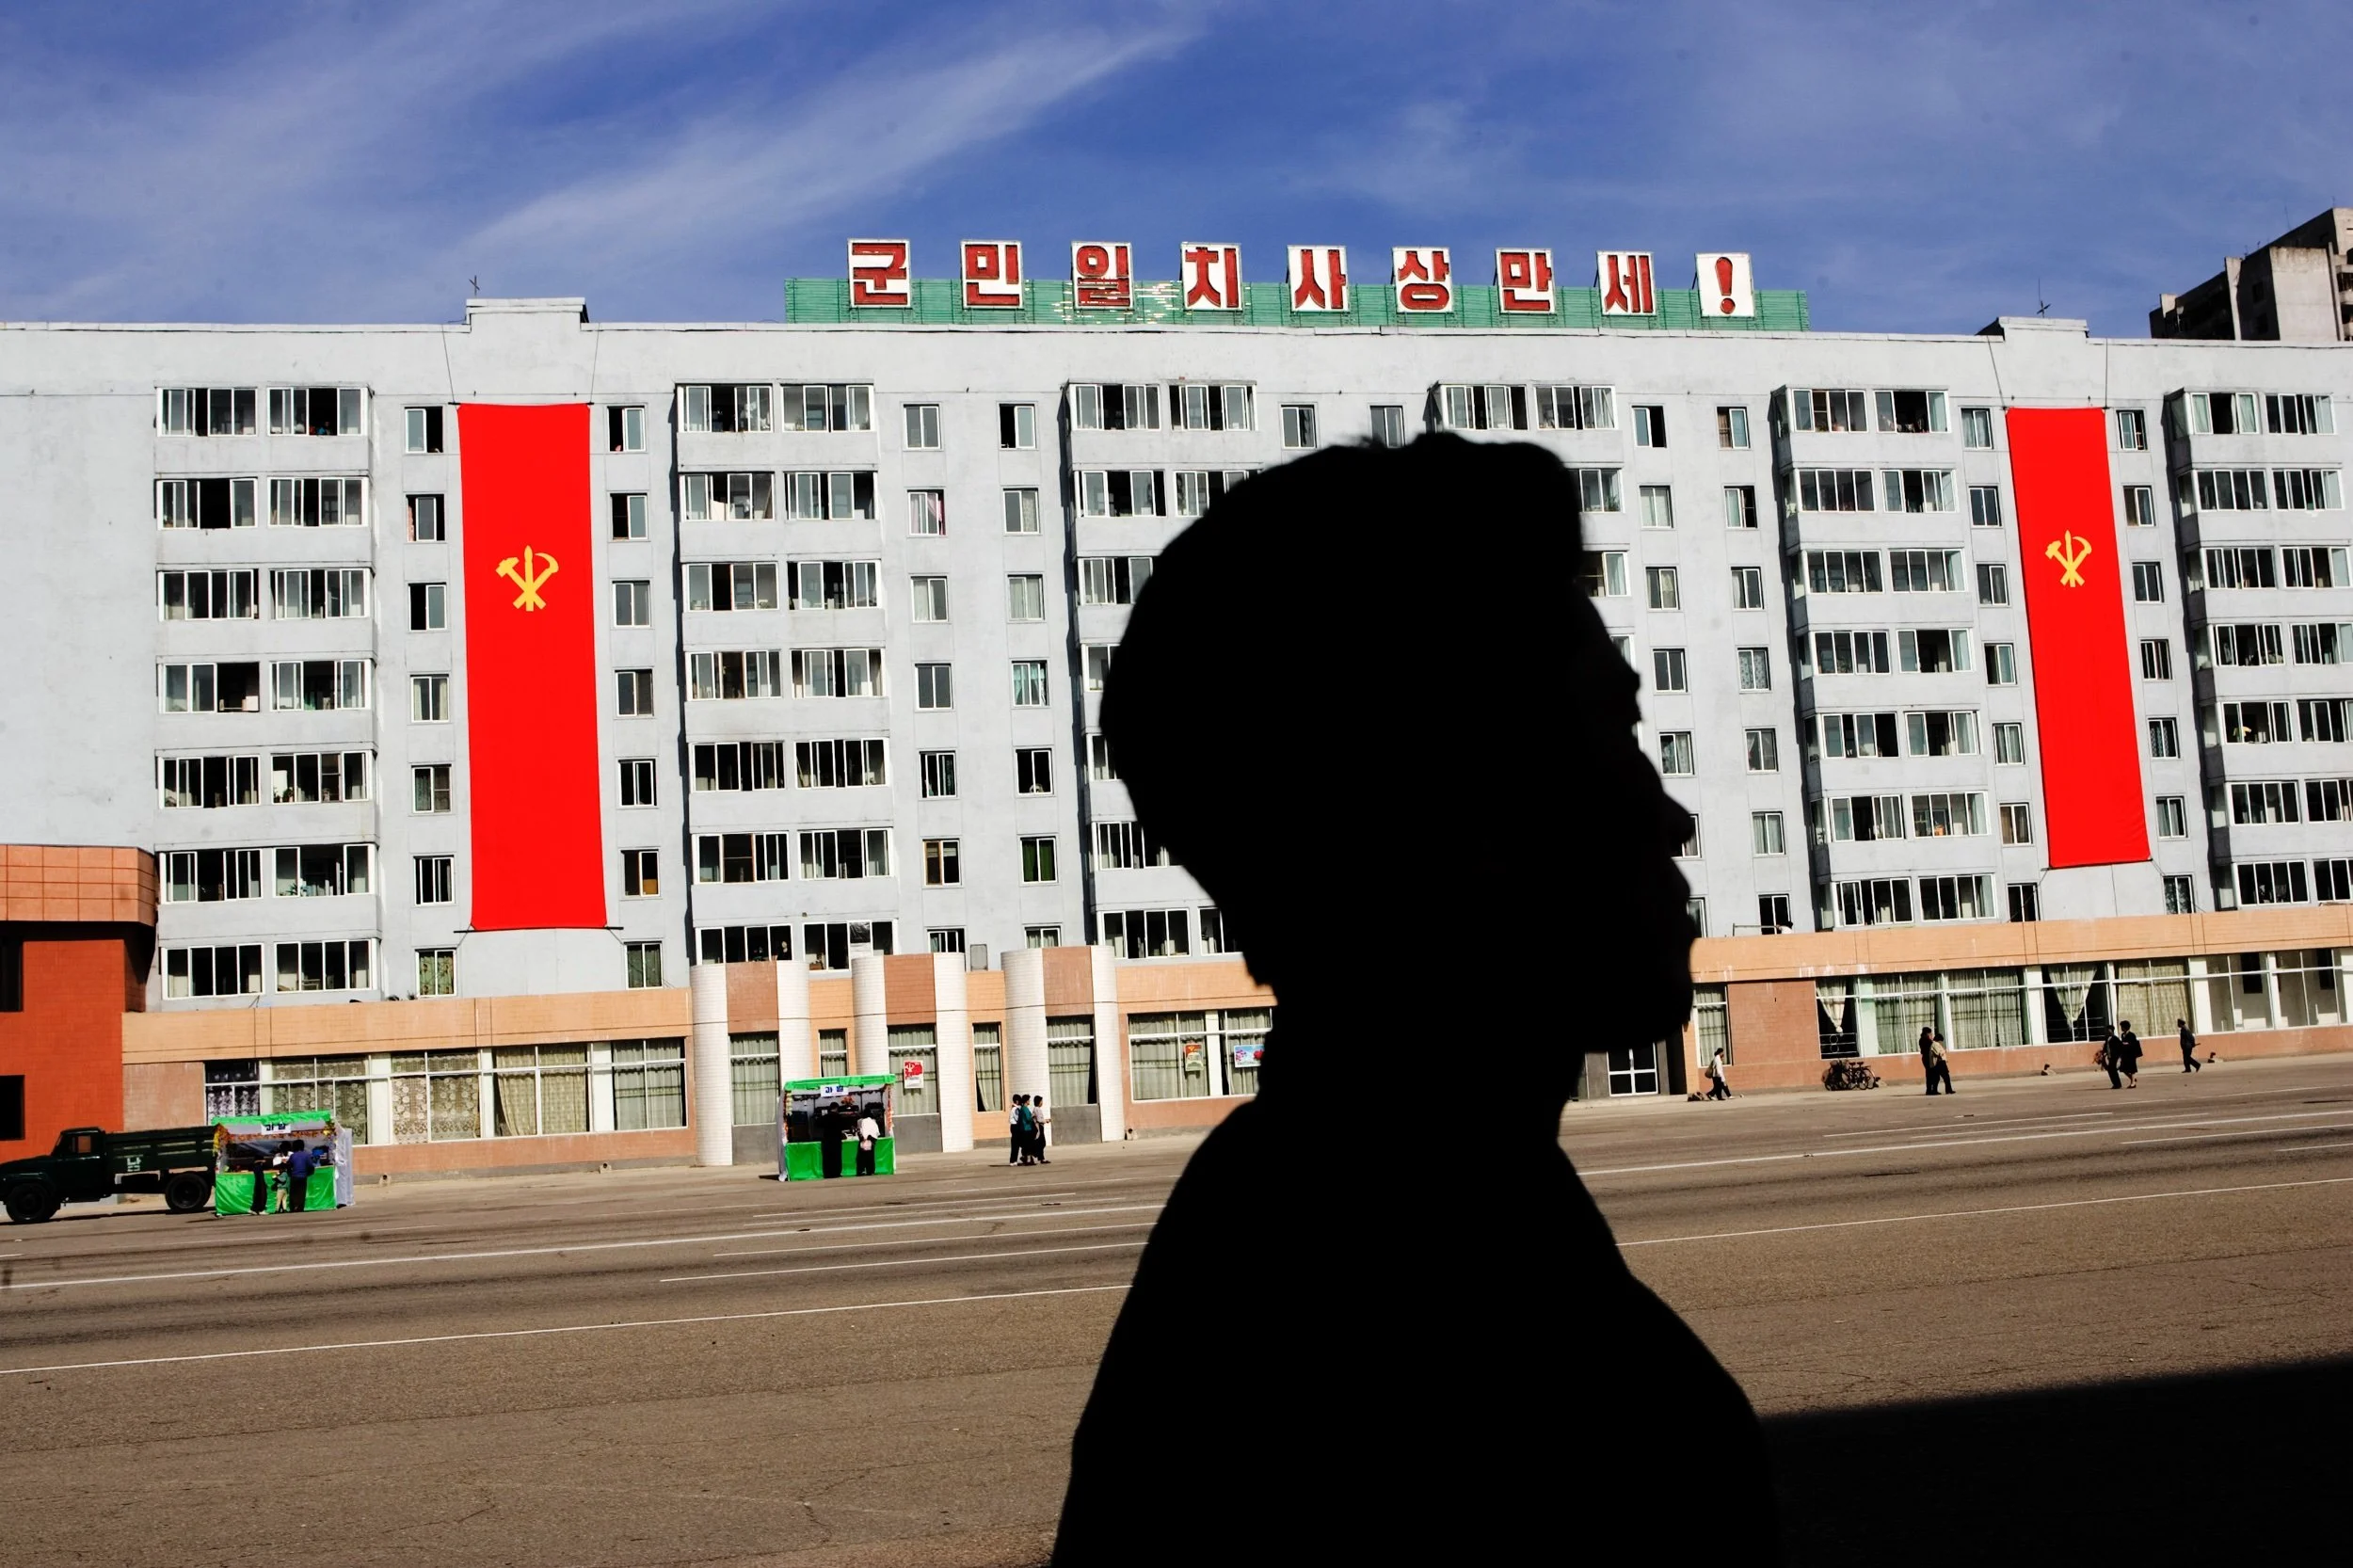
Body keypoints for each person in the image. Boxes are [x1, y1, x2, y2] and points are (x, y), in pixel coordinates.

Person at [1051, 434, 1776, 1563]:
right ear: (1466, 825)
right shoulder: (1426, 1323)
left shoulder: (1384, 1222)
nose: (1669, 815)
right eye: (1612, 739)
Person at [283, 1143, 317, 1213]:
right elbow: (311, 1166)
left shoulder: (293, 1155)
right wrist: (309, 1173)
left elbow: (288, 1165)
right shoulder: (306, 1155)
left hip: (294, 1176)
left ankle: (292, 1207)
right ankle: (300, 1208)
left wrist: (290, 1173)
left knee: (293, 1193)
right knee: (301, 1193)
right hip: (303, 1176)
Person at [1920, 1027, 1954, 1096]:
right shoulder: (1929, 1041)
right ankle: (1932, 1090)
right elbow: (1938, 1052)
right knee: (1934, 1075)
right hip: (1932, 1059)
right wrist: (1943, 1051)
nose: (1931, 1035)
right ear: (1927, 1033)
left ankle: (1931, 1090)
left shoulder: (1923, 1040)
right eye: (1930, 1033)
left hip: (1929, 1059)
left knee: (1933, 1075)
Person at [854, 1103, 880, 1177]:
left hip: (864, 1140)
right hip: (872, 1140)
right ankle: (870, 1171)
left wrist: (864, 1138)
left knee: (861, 1157)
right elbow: (877, 1132)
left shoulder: (862, 1121)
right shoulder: (873, 1121)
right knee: (870, 1156)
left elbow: (862, 1130)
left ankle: (861, 1171)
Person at [2116, 1020, 2143, 1088]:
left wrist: (2127, 1044)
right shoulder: (2122, 1035)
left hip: (2131, 1054)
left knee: (2132, 1069)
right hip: (2125, 1054)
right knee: (2123, 1068)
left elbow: (2133, 1044)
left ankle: (2133, 1083)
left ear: (2125, 1027)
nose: (2121, 1028)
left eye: (2122, 1027)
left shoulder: (2131, 1035)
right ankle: (2132, 1079)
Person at [2101, 1026, 2124, 1090]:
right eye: (2107, 1030)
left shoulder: (2115, 1039)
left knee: (2113, 1070)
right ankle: (2115, 1084)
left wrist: (2119, 1056)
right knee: (2110, 1070)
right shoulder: (2107, 1038)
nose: (2107, 1031)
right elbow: (2106, 1046)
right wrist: (2104, 1052)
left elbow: (2120, 1047)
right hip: (2110, 1057)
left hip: (2115, 1057)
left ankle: (2118, 1084)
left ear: (2112, 1030)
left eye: (2109, 1030)